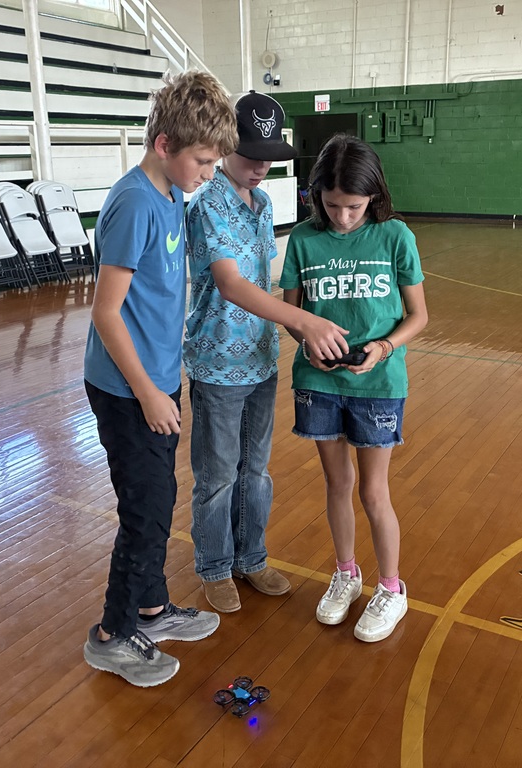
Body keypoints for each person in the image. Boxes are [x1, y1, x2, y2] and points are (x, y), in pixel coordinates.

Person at [81, 70, 238, 687]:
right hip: (126, 388)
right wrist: (148, 391)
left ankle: (151, 608)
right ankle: (111, 635)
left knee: (158, 499)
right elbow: (105, 310)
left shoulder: (174, 194)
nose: (208, 172)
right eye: (203, 159)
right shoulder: (133, 202)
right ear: (165, 143)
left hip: (154, 380)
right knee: (144, 512)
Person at [183, 92, 350, 613]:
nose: (260, 166)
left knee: (256, 470)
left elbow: (265, 281)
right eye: (250, 154)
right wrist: (302, 320)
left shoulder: (264, 204)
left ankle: (251, 558)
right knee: (218, 475)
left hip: (259, 358)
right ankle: (214, 564)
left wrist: (300, 334)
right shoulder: (207, 203)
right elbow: (231, 284)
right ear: (224, 144)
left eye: (268, 157)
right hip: (217, 363)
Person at [279, 133, 428, 642]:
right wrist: (306, 336)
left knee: (372, 489)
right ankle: (346, 574)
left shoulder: (394, 236)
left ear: (374, 197)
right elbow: (293, 315)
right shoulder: (303, 240)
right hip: (318, 383)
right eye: (333, 205)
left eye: (355, 207)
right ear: (317, 195)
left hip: (379, 383)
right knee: (337, 485)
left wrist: (383, 349)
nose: (343, 217)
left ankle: (391, 587)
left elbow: (418, 315)